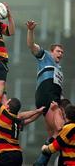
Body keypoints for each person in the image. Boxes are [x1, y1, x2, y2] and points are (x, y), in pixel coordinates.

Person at [26, 20, 64, 165]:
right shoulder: (45, 56)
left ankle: (43, 160)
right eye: (58, 51)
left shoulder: (59, 70)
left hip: (51, 97)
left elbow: (58, 87)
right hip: (47, 96)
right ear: (51, 51)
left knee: (54, 133)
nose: (61, 54)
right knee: (61, 131)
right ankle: (44, 161)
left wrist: (62, 100)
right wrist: (30, 30)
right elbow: (31, 46)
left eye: (62, 52)